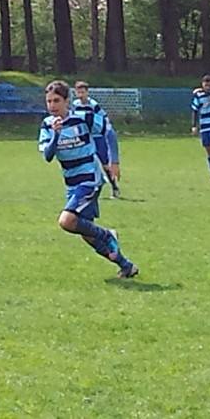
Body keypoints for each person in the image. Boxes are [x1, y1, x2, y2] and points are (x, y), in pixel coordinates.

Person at [40, 80, 138, 278]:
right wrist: (56, 135)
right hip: (72, 183)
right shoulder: (47, 125)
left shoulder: (83, 119)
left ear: (67, 101)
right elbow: (48, 156)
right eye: (49, 101)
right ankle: (126, 265)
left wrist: (114, 161)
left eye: (56, 101)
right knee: (86, 233)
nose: (52, 105)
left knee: (66, 221)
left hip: (90, 179)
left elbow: (108, 132)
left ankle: (107, 234)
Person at [72, 81, 121, 198]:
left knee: (105, 164)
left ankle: (114, 187)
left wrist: (105, 129)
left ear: (87, 92)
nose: (81, 95)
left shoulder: (93, 105)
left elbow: (104, 118)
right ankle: (89, 187)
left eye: (83, 92)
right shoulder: (75, 104)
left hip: (98, 137)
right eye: (78, 92)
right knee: (84, 162)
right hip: (85, 137)